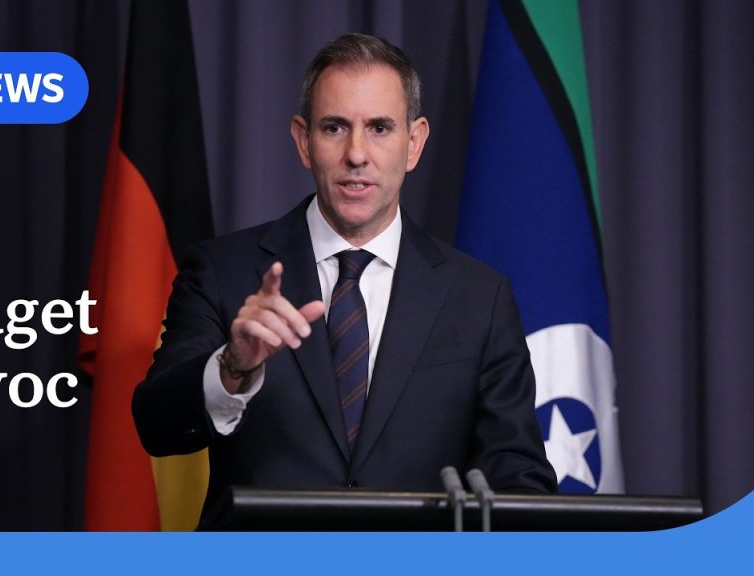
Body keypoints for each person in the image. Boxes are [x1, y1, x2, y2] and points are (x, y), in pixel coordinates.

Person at [132, 32, 557, 529]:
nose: (357, 154)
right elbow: (157, 427)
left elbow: (518, 477)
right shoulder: (223, 270)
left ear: (414, 143)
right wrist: (232, 366)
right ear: (303, 141)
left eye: (380, 128)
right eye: (334, 127)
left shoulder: (480, 297)